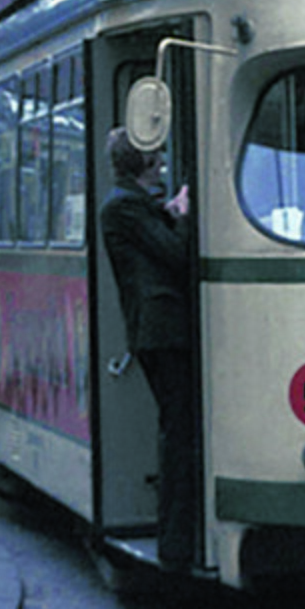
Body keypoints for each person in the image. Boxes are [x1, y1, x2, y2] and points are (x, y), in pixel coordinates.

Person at [99, 126, 197, 571]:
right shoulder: (124, 208)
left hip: (162, 330)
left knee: (179, 427)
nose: (161, 159)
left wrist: (170, 210)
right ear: (141, 163)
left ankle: (179, 535)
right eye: (155, 154)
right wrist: (184, 215)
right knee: (178, 431)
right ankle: (175, 542)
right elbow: (176, 254)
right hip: (163, 331)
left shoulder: (133, 204)